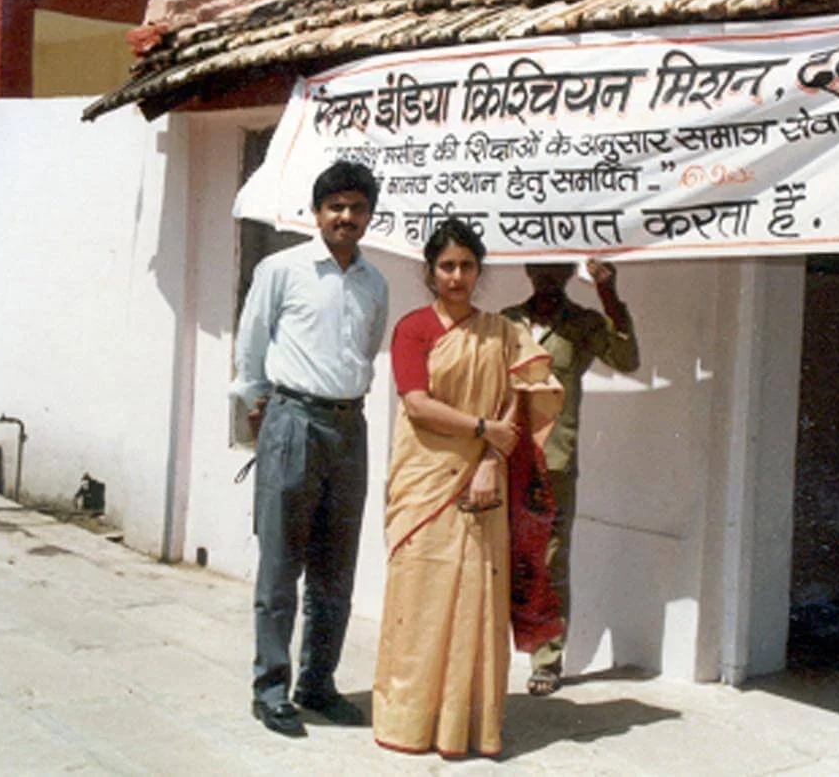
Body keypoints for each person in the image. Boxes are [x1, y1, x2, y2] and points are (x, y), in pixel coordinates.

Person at [373, 218, 562, 758]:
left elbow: (521, 396)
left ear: (479, 271)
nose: (457, 276)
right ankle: (409, 721)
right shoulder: (413, 327)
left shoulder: (501, 332)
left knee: (475, 599)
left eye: (467, 266)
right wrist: (482, 431)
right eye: (447, 266)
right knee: (420, 596)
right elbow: (417, 404)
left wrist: (490, 456)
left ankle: (469, 725)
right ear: (431, 272)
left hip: (484, 482)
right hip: (424, 480)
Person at [230, 160, 389, 738]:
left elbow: (368, 352)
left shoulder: (374, 283)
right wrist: (258, 404)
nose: (346, 217)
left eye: (357, 208)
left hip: (349, 428)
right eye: (336, 207)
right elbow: (251, 343)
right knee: (280, 565)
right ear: (317, 213)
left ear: (369, 216)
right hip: (292, 419)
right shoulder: (282, 269)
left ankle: (317, 682)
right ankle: (270, 688)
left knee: (335, 568)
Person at [501, 259, 640, 696]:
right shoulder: (505, 322)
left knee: (549, 558)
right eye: (540, 268)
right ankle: (487, 650)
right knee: (494, 553)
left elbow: (627, 358)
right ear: (526, 268)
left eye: (556, 269)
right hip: (503, 454)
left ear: (567, 271)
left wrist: (609, 296)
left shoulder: (582, 323)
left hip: (553, 460)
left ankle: (547, 659)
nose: (547, 276)